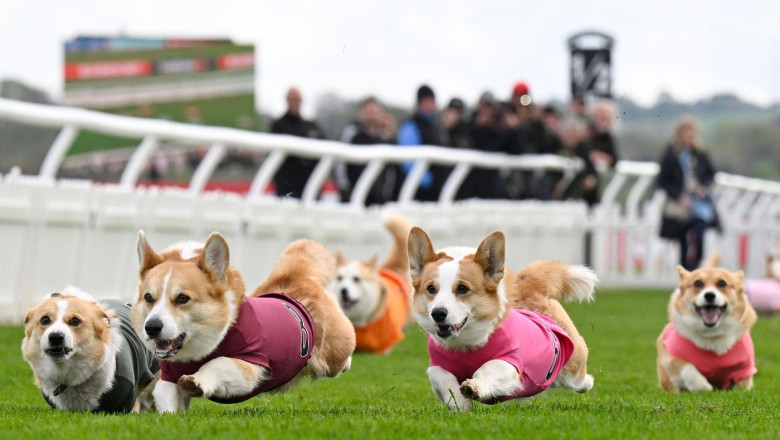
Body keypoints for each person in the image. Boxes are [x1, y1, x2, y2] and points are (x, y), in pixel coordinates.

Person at [657, 116, 720, 270]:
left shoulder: (700, 153)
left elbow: (711, 174)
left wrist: (703, 187)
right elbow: (662, 180)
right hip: (680, 205)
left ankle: (697, 269)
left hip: (699, 203)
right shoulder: (671, 154)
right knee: (683, 241)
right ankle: (686, 274)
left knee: (699, 236)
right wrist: (679, 196)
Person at [335, 96, 400, 205]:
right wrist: (345, 190)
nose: (371, 116)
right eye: (368, 112)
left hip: (378, 203)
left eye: (374, 112)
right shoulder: (352, 136)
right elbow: (340, 164)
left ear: (380, 115)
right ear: (361, 114)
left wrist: (385, 195)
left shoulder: (386, 141)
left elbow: (391, 172)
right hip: (352, 201)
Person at [271, 87, 326, 198]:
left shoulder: (311, 126)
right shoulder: (278, 126)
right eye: (292, 99)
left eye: (297, 99)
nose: (295, 102)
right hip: (287, 187)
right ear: (287, 100)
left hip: (309, 186)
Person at [397, 85, 445, 201]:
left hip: (436, 192)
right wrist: (426, 182)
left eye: (431, 101)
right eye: (425, 101)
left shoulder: (437, 127)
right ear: (419, 103)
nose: (429, 105)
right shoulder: (410, 126)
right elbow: (407, 159)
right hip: (418, 192)